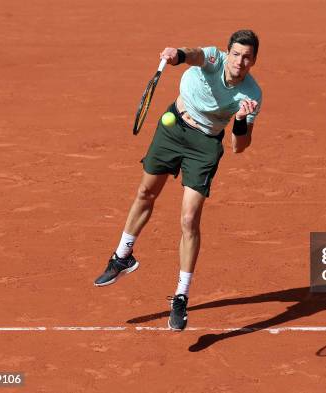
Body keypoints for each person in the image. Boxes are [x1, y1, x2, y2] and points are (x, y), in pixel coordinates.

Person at [94, 30, 262, 331]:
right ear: (227, 53)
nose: (240, 61)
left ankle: (181, 297)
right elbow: (194, 53)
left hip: (206, 145)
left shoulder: (251, 95)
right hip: (173, 128)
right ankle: (122, 257)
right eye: (236, 54)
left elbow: (239, 147)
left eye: (247, 57)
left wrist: (238, 120)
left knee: (188, 219)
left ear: (254, 61)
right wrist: (178, 55)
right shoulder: (212, 57)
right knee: (145, 192)